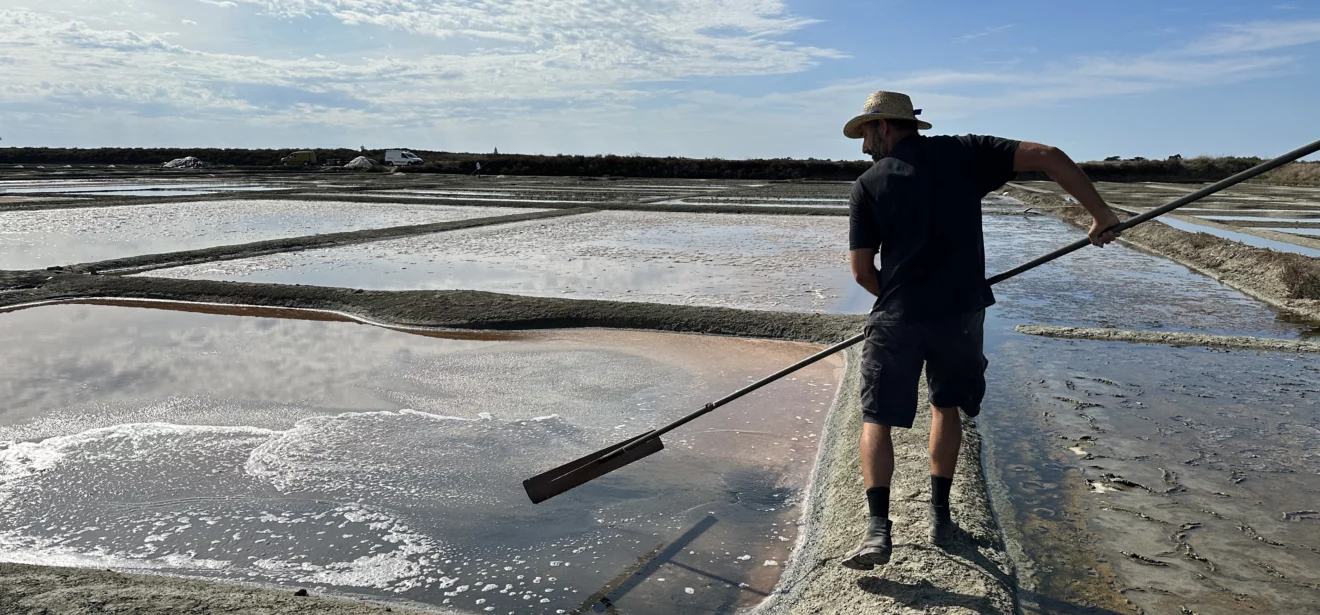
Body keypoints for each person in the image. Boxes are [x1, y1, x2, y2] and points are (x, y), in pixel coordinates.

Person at [838, 90, 1121, 570]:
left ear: (884, 127)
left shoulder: (867, 186)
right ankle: (941, 519)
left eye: (866, 135)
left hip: (897, 318)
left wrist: (907, 296)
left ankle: (877, 532)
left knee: (877, 418)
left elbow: (864, 274)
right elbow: (1049, 156)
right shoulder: (964, 153)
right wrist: (1102, 215)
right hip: (961, 314)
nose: (864, 148)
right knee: (946, 408)